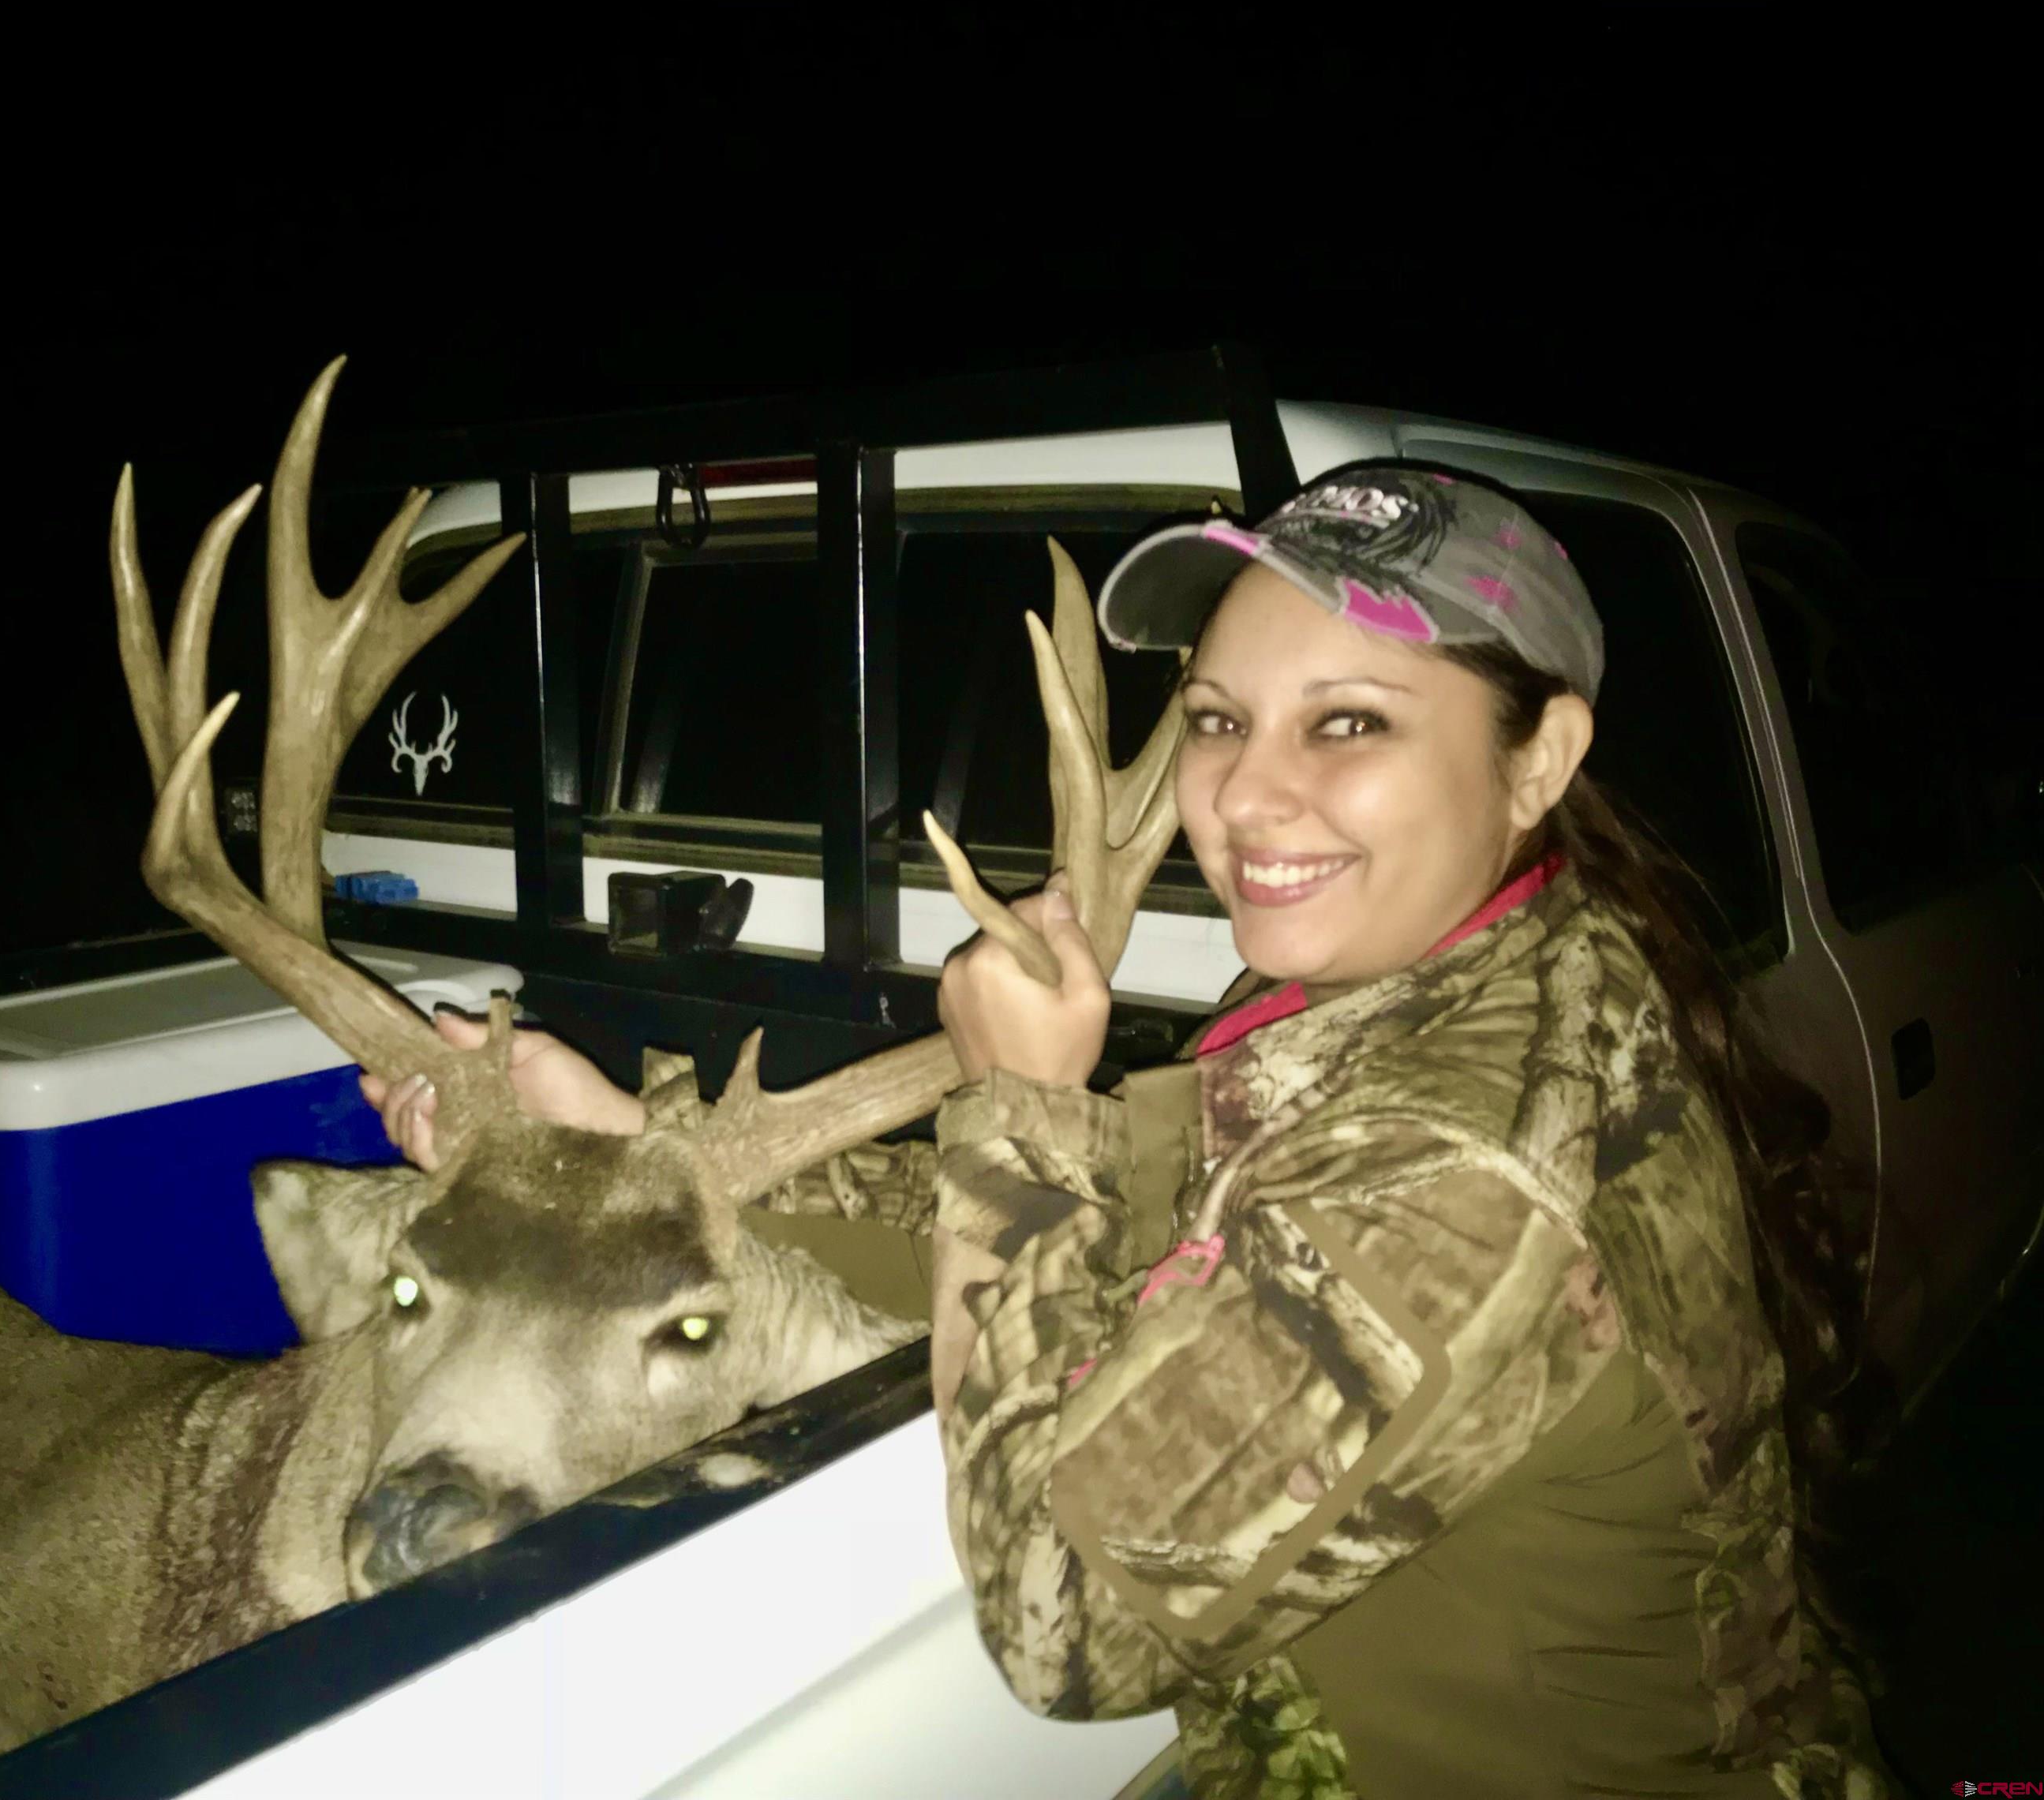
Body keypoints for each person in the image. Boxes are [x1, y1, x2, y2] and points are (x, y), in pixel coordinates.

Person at [364, 466, 1904, 1798]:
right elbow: (1141, 1212)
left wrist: (1016, 1108)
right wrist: (638, 1145)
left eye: (1348, 722)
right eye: (1221, 720)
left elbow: (1066, 1621)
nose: (1248, 797)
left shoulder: (1472, 1169)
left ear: (1542, 758)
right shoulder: (1440, 978)